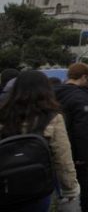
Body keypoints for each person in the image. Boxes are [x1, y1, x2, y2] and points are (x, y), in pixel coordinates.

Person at [0, 70, 79, 211]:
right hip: (38, 187)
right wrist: (69, 187)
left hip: (5, 185)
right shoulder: (53, 117)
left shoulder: (4, 115)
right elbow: (62, 156)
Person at [54, 63, 88, 212]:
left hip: (53, 144)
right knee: (82, 177)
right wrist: (83, 155)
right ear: (84, 76)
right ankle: (87, 206)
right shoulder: (80, 97)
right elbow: (82, 129)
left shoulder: (54, 92)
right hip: (72, 145)